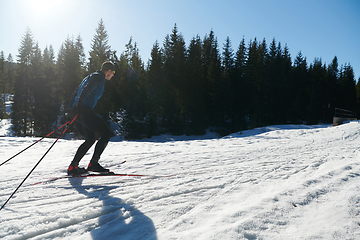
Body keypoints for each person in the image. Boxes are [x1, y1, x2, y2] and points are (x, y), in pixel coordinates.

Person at [67, 61, 116, 175]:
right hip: (83, 110)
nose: (113, 75)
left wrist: (70, 111)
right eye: (113, 72)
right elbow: (86, 90)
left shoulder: (89, 77)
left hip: (76, 110)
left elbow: (74, 93)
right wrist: (80, 104)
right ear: (108, 71)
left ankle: (73, 167)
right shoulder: (99, 78)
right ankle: (93, 164)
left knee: (90, 138)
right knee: (106, 133)